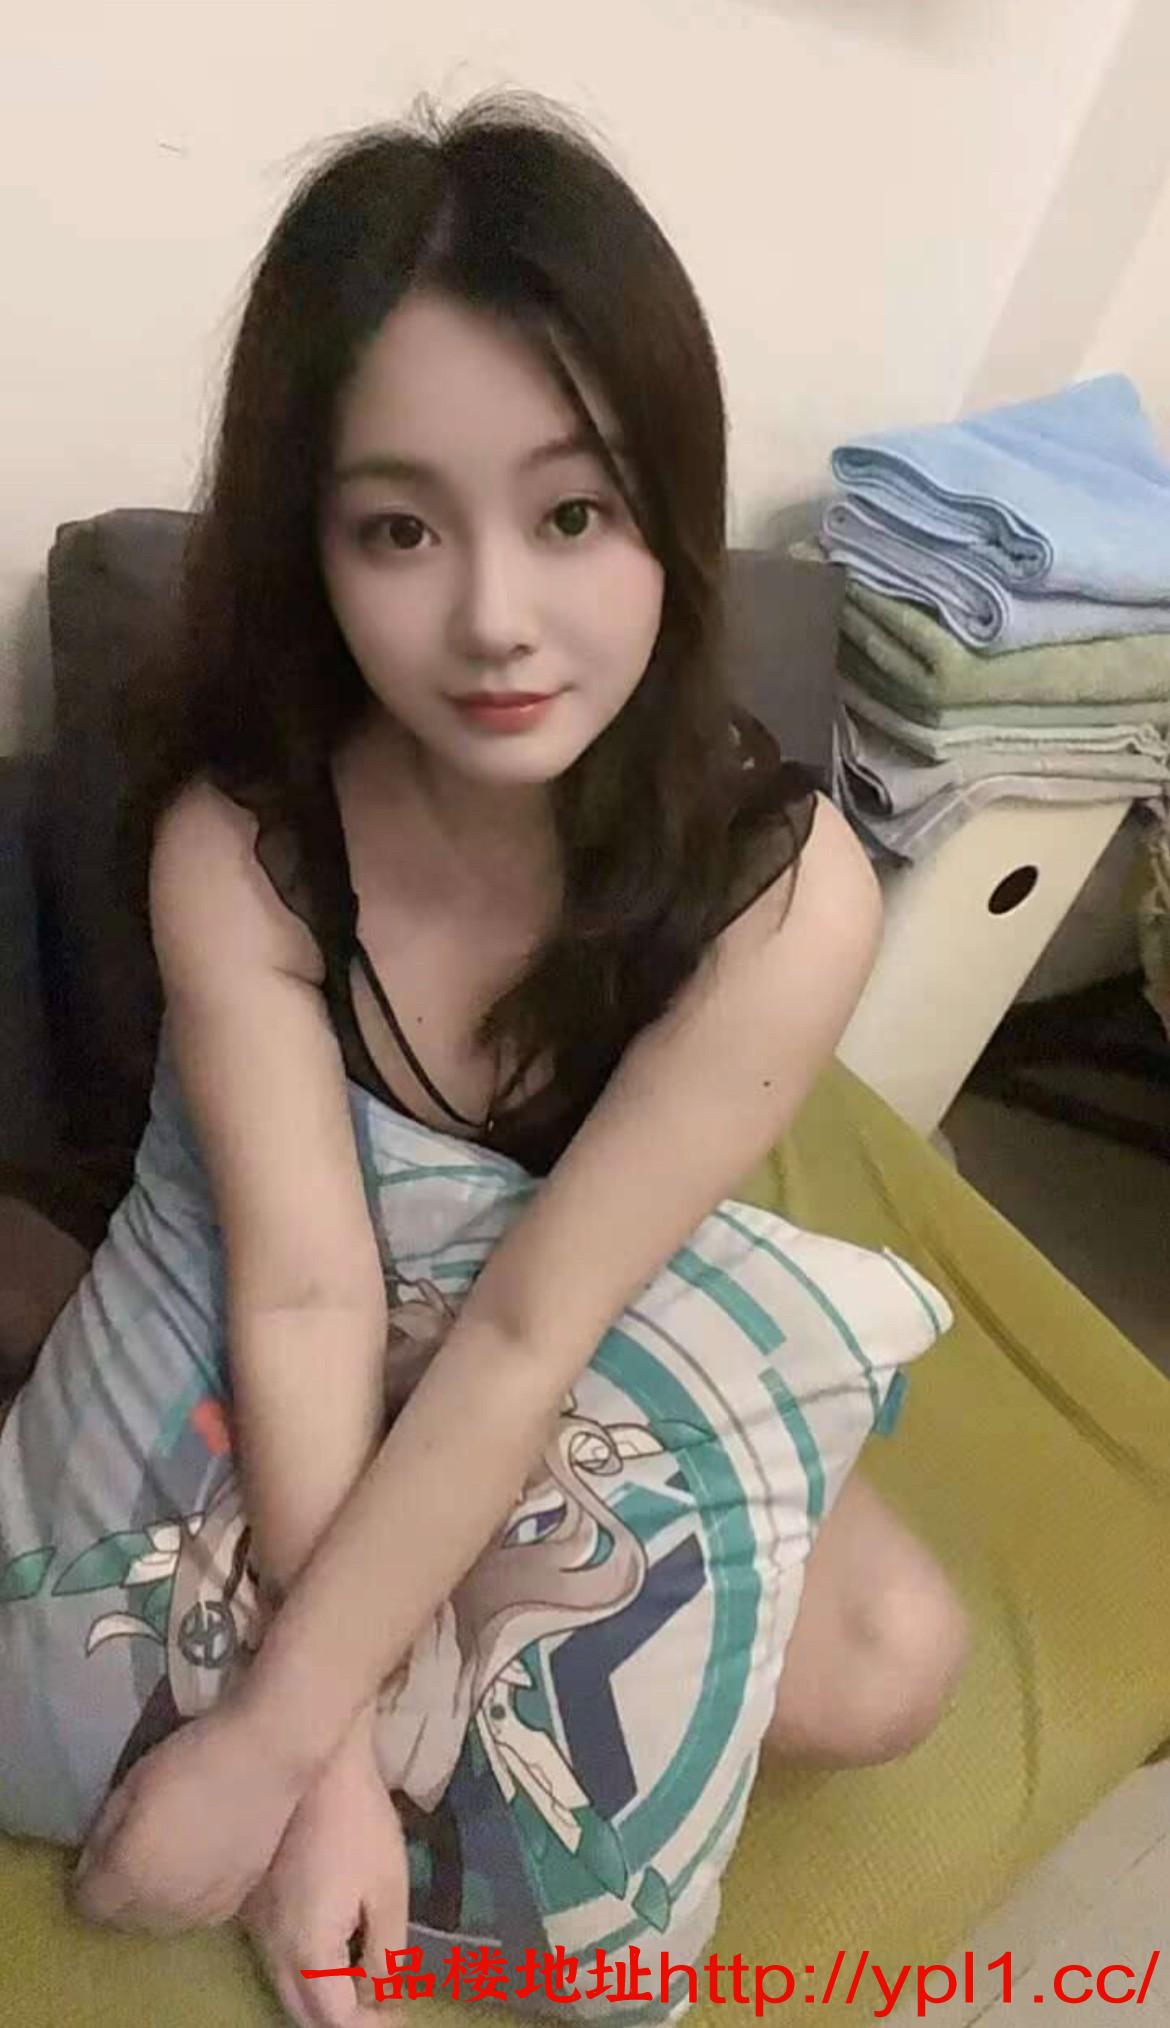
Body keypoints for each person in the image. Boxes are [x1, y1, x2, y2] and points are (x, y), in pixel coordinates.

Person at [0, 90, 966, 2026]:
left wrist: (276, 1740)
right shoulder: (246, 844)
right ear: (314, 545)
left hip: (548, 1316)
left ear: (666, 508)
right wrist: (321, 1775)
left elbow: (533, 1328)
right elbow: (300, 1290)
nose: (495, 621)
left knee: (890, 1660)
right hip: (292, 1281)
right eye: (398, 530)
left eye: (573, 513)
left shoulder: (785, 896)